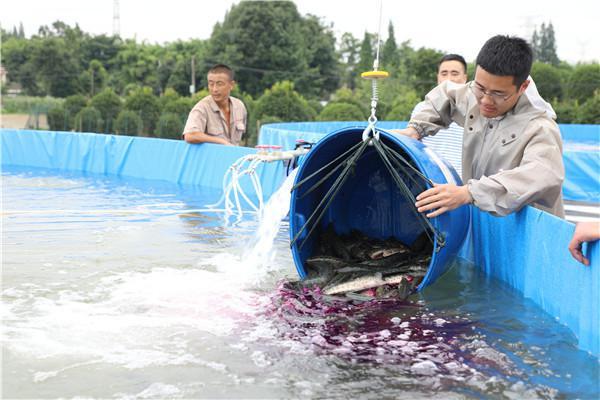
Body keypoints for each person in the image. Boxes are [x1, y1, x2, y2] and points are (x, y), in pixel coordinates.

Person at [394, 35, 565, 219]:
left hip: (525, 236)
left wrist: (469, 193)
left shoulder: (540, 128)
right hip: (482, 223)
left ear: (523, 87)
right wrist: (416, 129)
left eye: (498, 94)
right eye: (480, 88)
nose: (485, 100)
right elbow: (445, 95)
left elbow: (541, 176)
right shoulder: (473, 95)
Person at [413, 54, 468, 178]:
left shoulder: (476, 111)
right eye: (444, 73)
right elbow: (413, 144)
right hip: (428, 179)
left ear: (465, 78)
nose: (449, 79)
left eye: (454, 73)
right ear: (438, 77)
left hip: (461, 185)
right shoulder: (421, 108)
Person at [182, 64, 247, 146]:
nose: (214, 89)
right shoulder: (202, 108)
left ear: (231, 85)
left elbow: (243, 138)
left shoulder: (240, 106)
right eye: (211, 84)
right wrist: (221, 141)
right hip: (211, 157)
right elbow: (190, 135)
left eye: (219, 84)